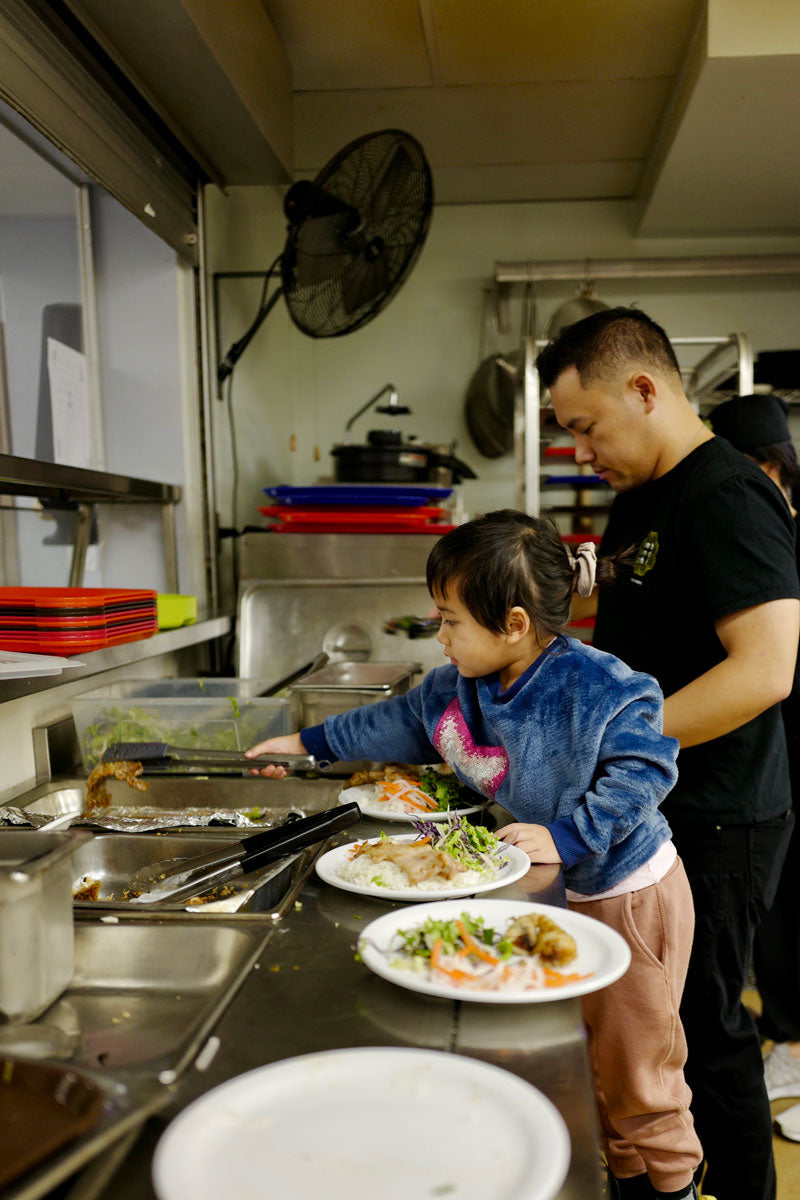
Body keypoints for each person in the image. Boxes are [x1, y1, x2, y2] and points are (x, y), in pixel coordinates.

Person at [248, 510, 705, 1200]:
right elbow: (393, 721)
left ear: (514, 624)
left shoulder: (601, 687)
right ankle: (630, 1179)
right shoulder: (455, 687)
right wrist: (306, 745)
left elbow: (644, 774)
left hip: (626, 895)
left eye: (450, 620)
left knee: (642, 1076)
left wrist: (567, 835)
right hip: (562, 892)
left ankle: (674, 1185)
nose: (440, 637)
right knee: (598, 1069)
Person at [536, 308, 800, 1200]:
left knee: (704, 1030)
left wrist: (620, 741)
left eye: (585, 426)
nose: (581, 449)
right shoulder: (644, 494)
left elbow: (765, 670)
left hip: (722, 811)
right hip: (656, 808)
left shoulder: (725, 491)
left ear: (645, 390)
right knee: (656, 1022)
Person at [709, 394, 800, 1126]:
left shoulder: (777, 537)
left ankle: (794, 1045)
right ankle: (785, 1032)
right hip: (775, 751)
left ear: (769, 466)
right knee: (776, 911)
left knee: (792, 909)